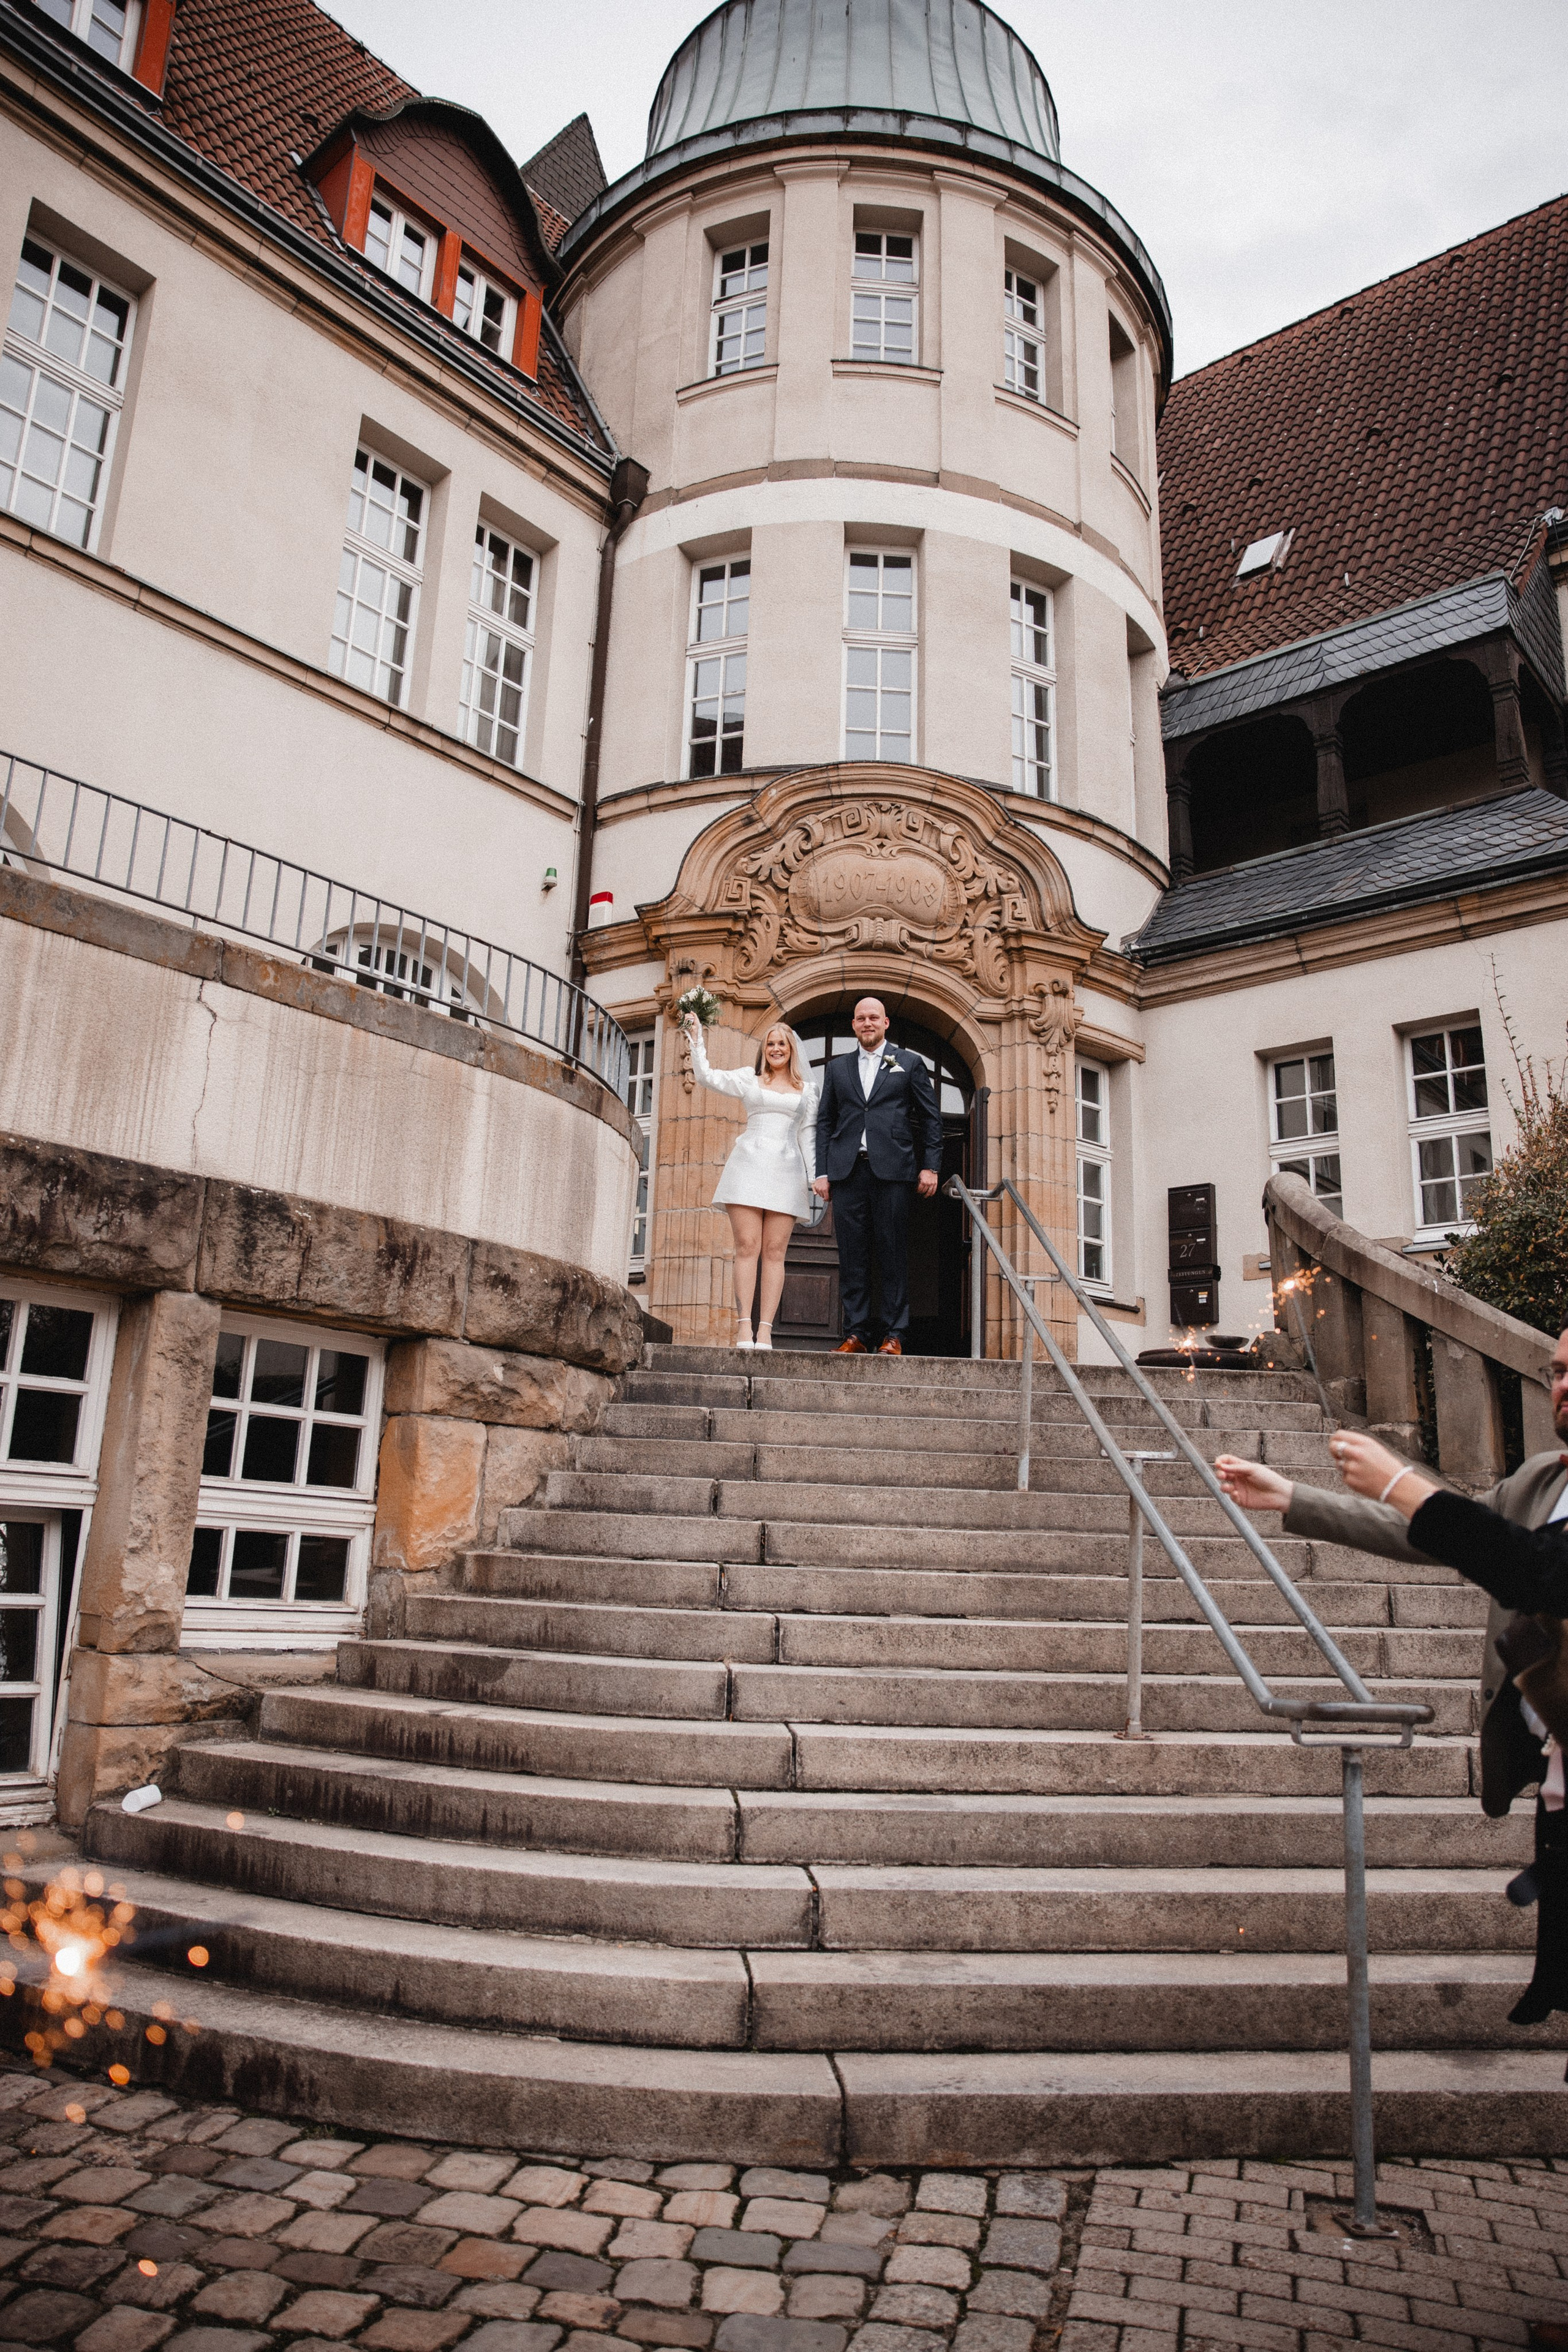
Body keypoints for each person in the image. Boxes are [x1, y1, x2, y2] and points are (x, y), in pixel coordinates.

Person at [1215, 1319, 1568, 2032]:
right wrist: (1293, 1498)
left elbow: (1534, 1572)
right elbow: (1436, 1533)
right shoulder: (1544, 1479)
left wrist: (1406, 1481)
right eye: (1559, 1371)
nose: (1564, 1387)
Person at [812, 996, 943, 1357]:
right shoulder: (838, 1069)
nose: (867, 1023)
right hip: (848, 1171)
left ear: (886, 1024)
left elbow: (931, 1119)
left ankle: (894, 1334)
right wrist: (821, 1172)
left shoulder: (909, 1063)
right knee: (853, 1254)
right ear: (853, 1025)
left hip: (894, 1172)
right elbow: (826, 1121)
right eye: (861, 1018)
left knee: (892, 1252)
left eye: (874, 1018)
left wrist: (930, 1166)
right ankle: (856, 1333)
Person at [682, 1014, 818, 1351]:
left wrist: (815, 1177)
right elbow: (707, 1077)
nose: (775, 1049)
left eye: (781, 1044)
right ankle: (744, 1328)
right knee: (747, 1247)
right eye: (770, 1044)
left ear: (792, 1051)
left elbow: (809, 1135)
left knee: (775, 1252)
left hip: (787, 1171)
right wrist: (697, 1040)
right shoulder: (749, 1079)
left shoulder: (808, 1091)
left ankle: (766, 1331)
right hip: (748, 1167)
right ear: (764, 1050)